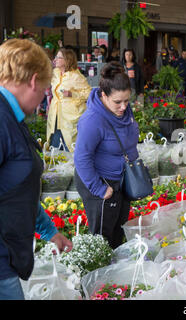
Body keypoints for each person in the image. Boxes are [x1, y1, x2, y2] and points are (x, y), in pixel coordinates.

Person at [0, 39, 73, 300]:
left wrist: (49, 231)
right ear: (33, 81)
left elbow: (17, 189)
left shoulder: (12, 116)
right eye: (44, 89)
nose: (45, 96)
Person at [74, 62, 139, 249]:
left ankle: (114, 275)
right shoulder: (92, 120)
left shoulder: (124, 113)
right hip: (101, 182)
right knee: (102, 239)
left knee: (118, 233)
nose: (123, 107)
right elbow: (81, 158)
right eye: (117, 102)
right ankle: (99, 275)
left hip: (120, 180)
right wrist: (99, 189)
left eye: (127, 101)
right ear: (103, 95)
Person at [47, 48, 91, 152]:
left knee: (70, 144)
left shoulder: (76, 76)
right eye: (56, 56)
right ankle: (55, 165)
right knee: (54, 143)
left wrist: (72, 94)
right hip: (55, 114)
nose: (55, 59)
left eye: (58, 57)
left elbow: (88, 93)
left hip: (70, 116)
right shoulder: (55, 73)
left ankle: (71, 166)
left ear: (67, 60)